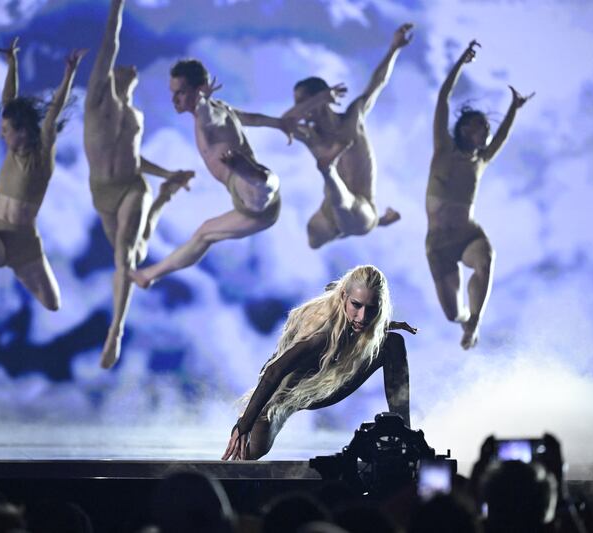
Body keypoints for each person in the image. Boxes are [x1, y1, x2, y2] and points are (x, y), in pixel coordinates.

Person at [84, 0, 195, 368]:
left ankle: (115, 331)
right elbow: (109, 44)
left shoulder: (135, 116)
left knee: (125, 257)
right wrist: (117, 6)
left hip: (133, 185)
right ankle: (162, 201)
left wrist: (168, 174)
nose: (130, 68)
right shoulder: (99, 102)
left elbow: (135, 158)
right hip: (104, 194)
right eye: (121, 67)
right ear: (111, 77)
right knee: (138, 251)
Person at [234, 24, 413, 249]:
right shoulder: (310, 135)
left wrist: (394, 48)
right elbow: (277, 120)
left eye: (304, 102)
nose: (302, 110)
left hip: (361, 208)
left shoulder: (353, 117)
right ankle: (371, 219)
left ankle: (361, 206)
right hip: (330, 210)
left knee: (347, 208)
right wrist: (319, 98)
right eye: (299, 104)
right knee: (314, 238)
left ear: (323, 98)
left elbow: (378, 82)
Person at [222, 265, 417, 460]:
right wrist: (244, 424)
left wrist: (387, 325)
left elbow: (353, 308)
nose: (363, 317)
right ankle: (247, 429)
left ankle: (404, 433)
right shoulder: (321, 335)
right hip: (287, 394)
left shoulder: (346, 300)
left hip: (325, 381)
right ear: (343, 296)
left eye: (372, 308)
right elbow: (274, 371)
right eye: (356, 305)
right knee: (251, 452)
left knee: (393, 343)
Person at [0, 38, 85, 311]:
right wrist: (12, 62)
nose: (2, 135)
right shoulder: (12, 153)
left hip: (24, 246)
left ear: (23, 132)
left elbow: (54, 112)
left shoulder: (41, 157)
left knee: (53, 305)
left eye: (6, 131)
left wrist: (69, 73)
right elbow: (9, 101)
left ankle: (34, 278)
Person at [129, 59, 281, 289]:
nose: (174, 100)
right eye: (173, 93)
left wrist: (202, 101)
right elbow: (253, 119)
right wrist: (281, 123)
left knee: (256, 184)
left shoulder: (208, 113)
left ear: (199, 90)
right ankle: (148, 275)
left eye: (181, 92)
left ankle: (252, 174)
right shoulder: (223, 108)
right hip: (256, 210)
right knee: (204, 233)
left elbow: (210, 118)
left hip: (248, 187)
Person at [426, 40, 534, 349]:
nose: (485, 130)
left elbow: (502, 136)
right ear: (462, 129)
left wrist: (514, 108)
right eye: (478, 125)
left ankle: (474, 323)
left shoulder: (481, 160)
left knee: (486, 261)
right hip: (438, 245)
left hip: (467, 234)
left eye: (486, 128)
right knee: (452, 314)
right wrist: (461, 63)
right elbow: (443, 98)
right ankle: (464, 318)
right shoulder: (443, 148)